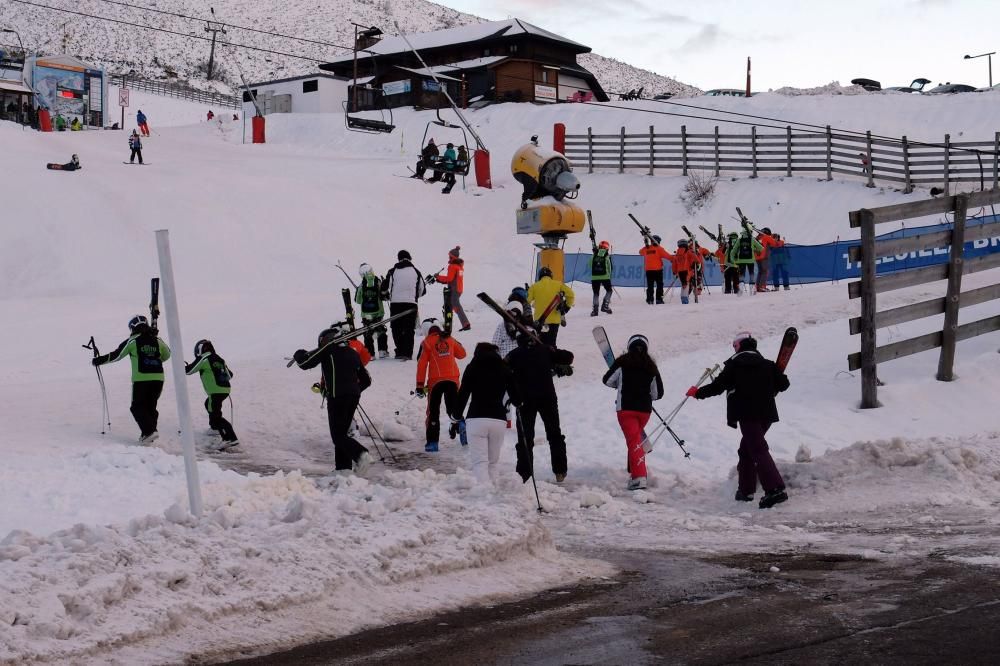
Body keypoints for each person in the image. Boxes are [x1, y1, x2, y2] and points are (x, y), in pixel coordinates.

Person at [687, 332, 790, 509]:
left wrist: (697, 393)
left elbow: (717, 387)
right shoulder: (767, 364)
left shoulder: (734, 365)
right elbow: (784, 384)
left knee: (757, 448)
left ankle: (775, 489)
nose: (733, 349)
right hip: (767, 414)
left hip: (747, 414)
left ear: (740, 346)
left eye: (734, 346)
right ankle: (746, 490)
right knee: (747, 450)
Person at [293, 322, 373, 474]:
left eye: (322, 341)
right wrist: (354, 390)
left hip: (337, 397)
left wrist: (298, 354)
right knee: (342, 433)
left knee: (338, 436)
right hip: (353, 397)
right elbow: (366, 380)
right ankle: (343, 469)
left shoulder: (328, 349)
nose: (321, 344)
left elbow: (305, 362)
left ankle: (361, 454)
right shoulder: (352, 352)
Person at [506, 331, 574, 483]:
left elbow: (503, 370)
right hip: (547, 398)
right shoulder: (545, 350)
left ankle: (524, 474)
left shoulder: (514, 354)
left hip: (524, 401)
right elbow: (569, 357)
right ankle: (560, 470)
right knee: (554, 434)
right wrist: (551, 349)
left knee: (525, 438)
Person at [92, 315, 171, 444]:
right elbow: (167, 354)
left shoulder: (132, 341)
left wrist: (99, 360)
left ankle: (149, 431)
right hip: (158, 378)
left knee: (137, 407)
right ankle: (149, 434)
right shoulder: (157, 339)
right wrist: (154, 358)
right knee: (151, 406)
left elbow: (117, 355)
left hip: (141, 379)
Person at [602, 334, 664, 490]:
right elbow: (658, 394)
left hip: (626, 409)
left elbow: (607, 380)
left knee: (634, 442)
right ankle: (633, 469)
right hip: (644, 412)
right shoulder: (651, 367)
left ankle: (639, 477)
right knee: (635, 440)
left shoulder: (622, 362)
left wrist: (619, 384)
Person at [453, 342, 520, 485]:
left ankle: (485, 492)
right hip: (498, 420)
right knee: (493, 462)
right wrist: (519, 402)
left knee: (480, 462)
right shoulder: (504, 368)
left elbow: (463, 393)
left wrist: (456, 416)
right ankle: (493, 491)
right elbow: (516, 395)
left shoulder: (473, 367)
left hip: (476, 418)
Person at [415, 318, 467, 452]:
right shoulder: (450, 339)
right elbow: (462, 354)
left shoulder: (426, 342)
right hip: (452, 380)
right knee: (453, 408)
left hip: (435, 382)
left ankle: (432, 443)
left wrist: (420, 385)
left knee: (433, 412)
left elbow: (421, 364)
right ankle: (460, 422)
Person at [185, 339, 239, 449]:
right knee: (209, 404)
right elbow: (230, 375)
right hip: (225, 389)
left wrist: (184, 366)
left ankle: (230, 438)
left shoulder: (204, 358)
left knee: (215, 414)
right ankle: (214, 428)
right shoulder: (220, 359)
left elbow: (189, 371)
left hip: (215, 391)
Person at [381, 250, 425, 360]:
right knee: (409, 329)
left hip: (396, 304)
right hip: (411, 304)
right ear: (409, 258)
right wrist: (414, 297)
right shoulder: (416, 271)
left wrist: (386, 295)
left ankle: (400, 351)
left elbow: (385, 287)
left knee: (396, 328)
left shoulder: (393, 271)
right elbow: (422, 290)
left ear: (398, 258)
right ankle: (407, 353)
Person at [527, 266, 574, 347]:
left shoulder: (534, 286)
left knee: (540, 343)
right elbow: (571, 295)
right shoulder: (558, 284)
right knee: (551, 344)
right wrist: (567, 307)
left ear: (540, 276)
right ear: (551, 275)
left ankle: (541, 357)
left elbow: (526, 301)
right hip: (554, 320)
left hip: (540, 321)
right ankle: (552, 357)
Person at [429, 246, 471, 331]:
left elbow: (449, 279)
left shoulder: (452, 266)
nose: (449, 257)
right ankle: (448, 324)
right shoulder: (459, 267)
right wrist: (440, 280)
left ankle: (465, 324)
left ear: (453, 257)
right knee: (448, 307)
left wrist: (438, 276)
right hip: (458, 289)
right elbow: (453, 279)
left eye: (450, 256)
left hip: (454, 290)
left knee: (455, 306)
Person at [356, 263, 389, 358]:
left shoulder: (361, 285)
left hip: (366, 314)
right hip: (379, 313)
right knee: (381, 330)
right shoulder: (378, 282)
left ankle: (370, 354)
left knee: (367, 333)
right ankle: (382, 351)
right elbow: (384, 296)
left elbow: (358, 301)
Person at [639, 235, 672, 304]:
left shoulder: (646, 249)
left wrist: (646, 246)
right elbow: (667, 256)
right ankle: (659, 299)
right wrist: (674, 259)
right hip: (658, 270)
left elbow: (640, 252)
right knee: (659, 285)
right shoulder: (659, 249)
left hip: (649, 271)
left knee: (650, 285)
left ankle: (650, 299)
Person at [670, 239, 703, 305]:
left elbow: (674, 264)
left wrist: (674, 271)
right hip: (687, 271)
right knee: (686, 284)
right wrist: (697, 264)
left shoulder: (677, 253)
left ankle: (684, 299)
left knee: (684, 284)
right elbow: (696, 259)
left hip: (680, 272)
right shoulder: (688, 252)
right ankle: (685, 300)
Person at [731, 228, 762, 294]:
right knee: (751, 273)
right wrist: (755, 249)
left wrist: (734, 260)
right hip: (750, 260)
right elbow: (761, 248)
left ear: (742, 233)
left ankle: (741, 288)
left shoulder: (739, 240)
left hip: (741, 260)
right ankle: (752, 289)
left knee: (742, 274)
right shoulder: (752, 240)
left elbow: (733, 252)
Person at [589, 239, 613, 316]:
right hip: (605, 276)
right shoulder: (606, 255)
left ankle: (595, 311)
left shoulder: (594, 254)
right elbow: (609, 267)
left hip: (594, 277)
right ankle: (605, 306)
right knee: (609, 291)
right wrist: (609, 276)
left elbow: (589, 264)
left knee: (596, 293)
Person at [754, 227, 781, 293]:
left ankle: (757, 287)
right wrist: (776, 239)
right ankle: (762, 287)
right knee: (764, 271)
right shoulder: (766, 237)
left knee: (760, 272)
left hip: (757, 257)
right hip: (764, 257)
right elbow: (775, 244)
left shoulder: (757, 238)